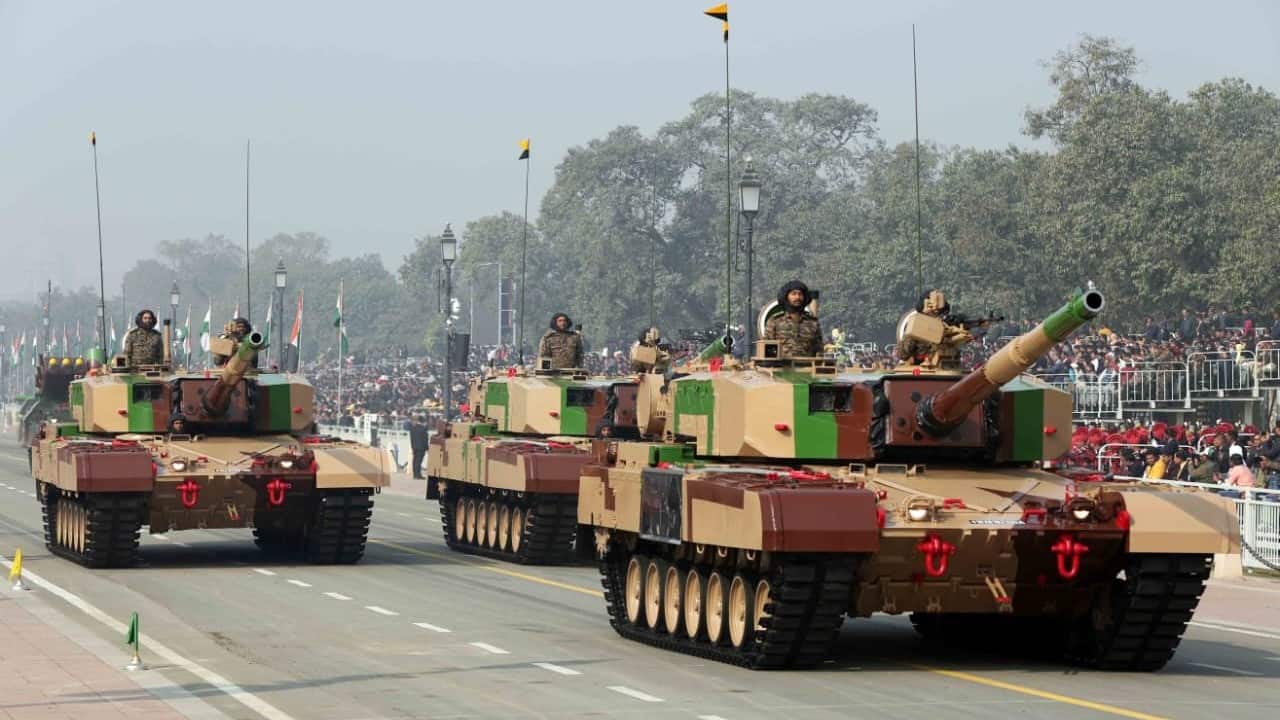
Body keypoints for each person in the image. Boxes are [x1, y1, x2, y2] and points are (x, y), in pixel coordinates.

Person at [896, 289, 971, 367]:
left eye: (939, 312)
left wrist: (956, 335)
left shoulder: (944, 325)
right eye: (934, 312)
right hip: (919, 369)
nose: (937, 315)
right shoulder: (917, 326)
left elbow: (949, 344)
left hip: (946, 366)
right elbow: (904, 353)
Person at [764, 280, 823, 357]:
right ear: (786, 296)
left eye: (800, 294)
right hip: (782, 367)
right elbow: (768, 347)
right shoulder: (775, 321)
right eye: (793, 294)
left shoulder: (812, 322)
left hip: (807, 366)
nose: (797, 297)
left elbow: (819, 349)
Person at [406, 411, 430, 480]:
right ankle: (418, 475)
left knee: (414, 461)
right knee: (419, 462)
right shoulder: (424, 428)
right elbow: (425, 439)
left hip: (414, 446)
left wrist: (412, 446)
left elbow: (411, 438)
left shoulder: (412, 428)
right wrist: (427, 448)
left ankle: (415, 475)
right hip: (421, 447)